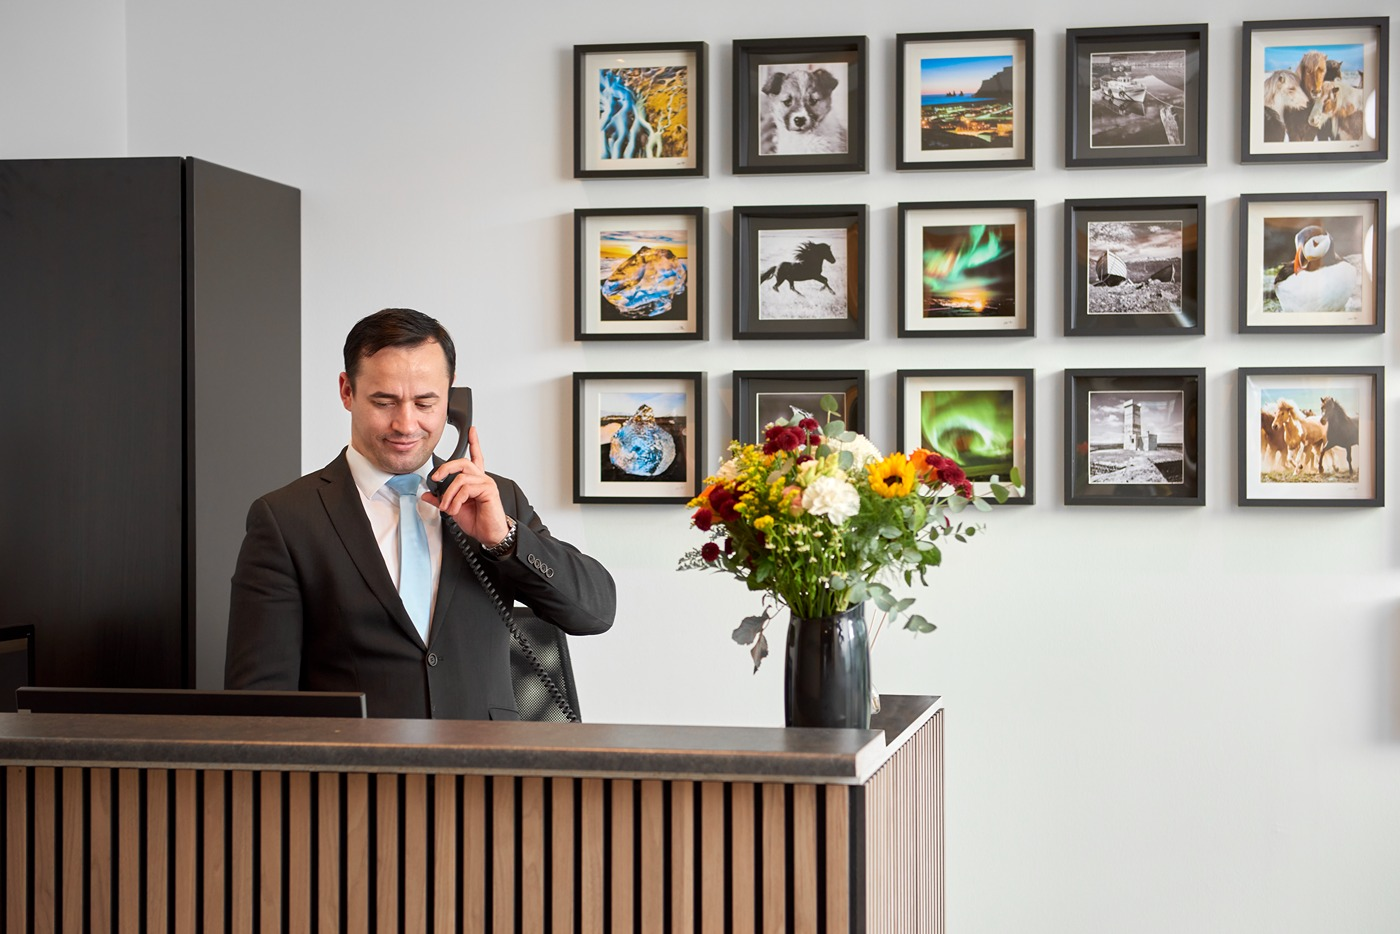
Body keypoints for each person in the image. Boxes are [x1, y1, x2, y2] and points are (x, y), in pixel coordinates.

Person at [225, 308, 616, 718]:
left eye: (426, 402)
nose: (406, 424)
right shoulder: (286, 518)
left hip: (484, 771)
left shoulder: (497, 500)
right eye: (384, 401)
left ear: (452, 399)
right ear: (347, 391)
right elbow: (260, 702)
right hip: (355, 773)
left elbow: (595, 612)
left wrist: (503, 539)